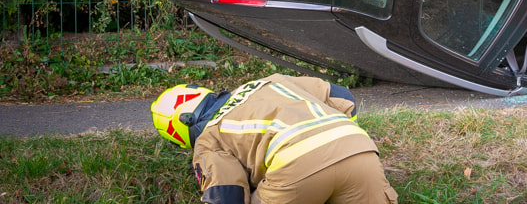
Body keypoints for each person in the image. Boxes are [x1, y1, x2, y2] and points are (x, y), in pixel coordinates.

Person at [151, 74, 398, 204]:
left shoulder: (208, 139)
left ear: (179, 132)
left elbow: (227, 196)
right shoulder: (268, 82)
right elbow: (340, 94)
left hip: (295, 165)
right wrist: (341, 147)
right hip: (358, 148)